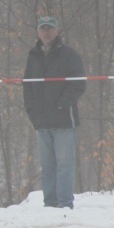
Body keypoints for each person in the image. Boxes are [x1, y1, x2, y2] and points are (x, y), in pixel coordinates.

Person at [23, 16, 85, 209]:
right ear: (38, 32)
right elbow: (27, 87)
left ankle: (65, 204)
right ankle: (49, 204)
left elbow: (78, 83)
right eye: (43, 28)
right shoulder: (33, 56)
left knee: (64, 166)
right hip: (42, 123)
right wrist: (33, 113)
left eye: (50, 28)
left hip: (64, 122)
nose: (47, 32)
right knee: (47, 167)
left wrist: (62, 104)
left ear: (57, 31)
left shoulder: (69, 55)